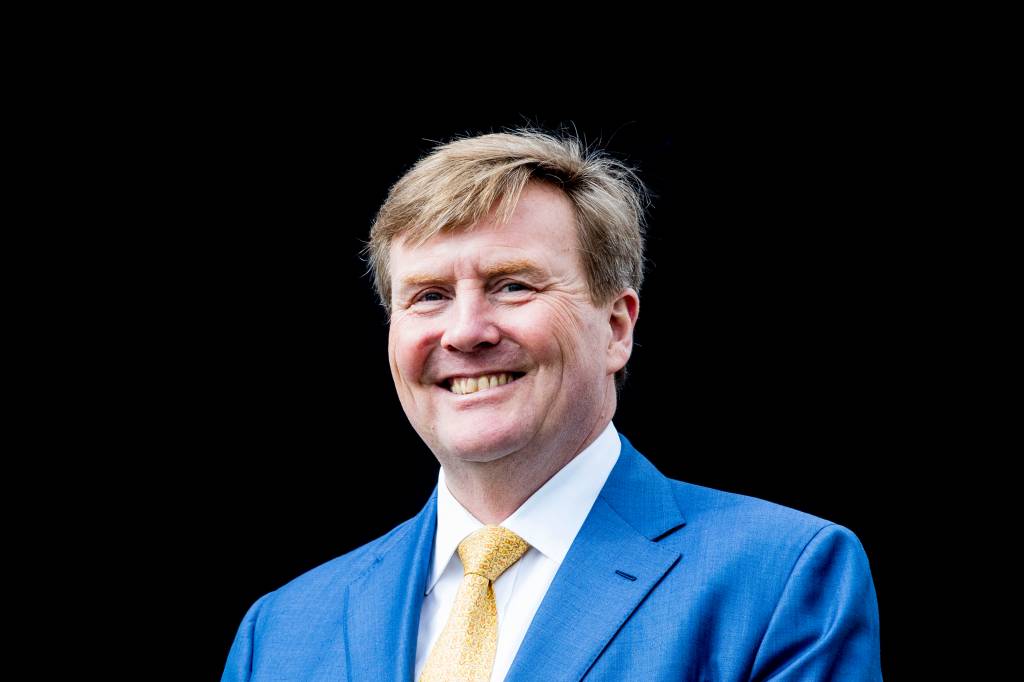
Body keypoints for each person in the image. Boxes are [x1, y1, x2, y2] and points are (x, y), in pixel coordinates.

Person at [222, 129, 882, 681]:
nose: (465, 332)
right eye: (428, 296)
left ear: (616, 328)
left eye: (512, 285)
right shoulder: (279, 632)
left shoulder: (781, 580)